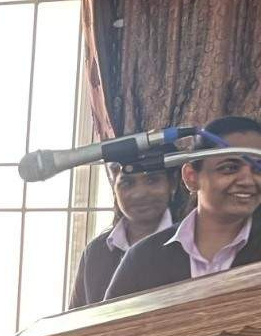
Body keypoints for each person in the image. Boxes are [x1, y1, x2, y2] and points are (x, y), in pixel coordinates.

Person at [105, 117, 261, 298]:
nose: (247, 181)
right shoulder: (143, 258)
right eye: (229, 168)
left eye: (258, 169)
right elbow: (111, 317)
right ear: (191, 177)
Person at [69, 163, 180, 307]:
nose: (140, 193)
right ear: (114, 185)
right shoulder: (96, 252)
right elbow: (76, 317)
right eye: (128, 183)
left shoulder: (190, 243)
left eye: (152, 180)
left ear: (172, 184)